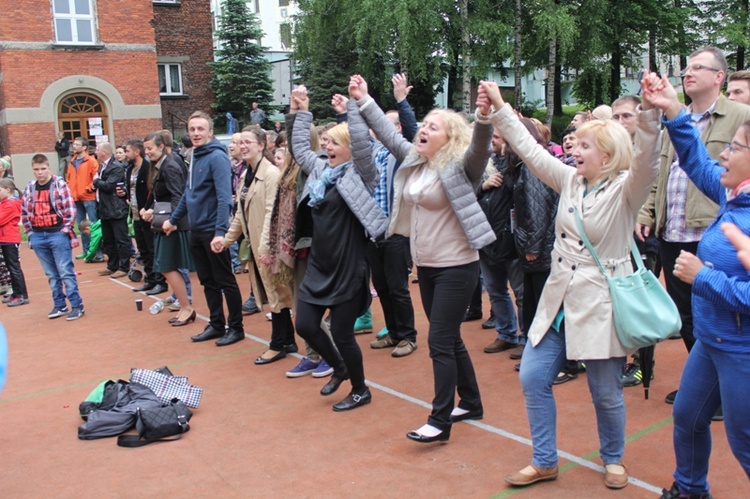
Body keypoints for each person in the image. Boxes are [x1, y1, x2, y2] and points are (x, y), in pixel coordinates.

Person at [482, 78, 661, 489]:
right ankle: (545, 459)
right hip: (559, 298)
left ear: (609, 154)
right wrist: (499, 107)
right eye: (574, 145)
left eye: (583, 146)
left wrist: (650, 112)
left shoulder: (625, 190)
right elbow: (528, 150)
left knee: (605, 392)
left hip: (601, 303)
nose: (572, 150)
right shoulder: (569, 181)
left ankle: (613, 458)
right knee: (532, 376)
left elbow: (648, 161)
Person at [354, 75, 495, 441]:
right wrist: (365, 100)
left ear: (450, 138)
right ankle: (473, 402)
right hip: (428, 266)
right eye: (425, 124)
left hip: (457, 266)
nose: (425, 129)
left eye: (434, 126)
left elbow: (480, 149)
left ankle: (440, 421)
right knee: (451, 340)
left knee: (439, 342)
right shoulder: (417, 162)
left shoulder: (461, 168)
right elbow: (388, 135)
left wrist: (483, 117)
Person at [640, 72, 750, 499]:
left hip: (743, 350)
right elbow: (697, 161)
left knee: (743, 443)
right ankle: (689, 489)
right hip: (712, 341)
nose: (724, 155)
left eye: (735, 148)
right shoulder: (734, 196)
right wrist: (672, 109)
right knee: (687, 418)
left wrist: (704, 278)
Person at [288, 84, 388, 411]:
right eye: (326, 141)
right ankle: (339, 366)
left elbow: (363, 143)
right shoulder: (320, 171)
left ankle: (360, 389)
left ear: (348, 147)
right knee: (305, 324)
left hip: (349, 264)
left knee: (343, 334)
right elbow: (301, 149)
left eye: (333, 142)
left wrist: (356, 106)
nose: (327, 146)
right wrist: (301, 112)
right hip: (320, 263)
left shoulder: (361, 174)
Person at [165, 111, 245, 347]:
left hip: (213, 230)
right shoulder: (194, 155)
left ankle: (236, 327)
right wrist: (173, 219)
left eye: (201, 129)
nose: (196, 133)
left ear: (210, 132)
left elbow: (224, 197)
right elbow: (189, 194)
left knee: (225, 280)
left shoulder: (217, 158)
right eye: (192, 129)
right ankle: (216, 324)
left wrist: (220, 231)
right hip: (196, 230)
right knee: (207, 281)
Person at [221, 126, 296, 364]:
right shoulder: (247, 174)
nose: (242, 146)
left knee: (276, 294)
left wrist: (265, 247)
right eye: (240, 142)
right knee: (275, 294)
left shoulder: (271, 174)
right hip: (256, 245)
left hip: (268, 246)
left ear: (262, 145)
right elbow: (241, 215)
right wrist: (227, 240)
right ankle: (288, 339)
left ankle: (277, 344)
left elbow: (271, 214)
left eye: (248, 142)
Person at [363, 73, 419, 358]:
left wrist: (402, 100)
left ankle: (408, 336)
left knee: (398, 288)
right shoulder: (372, 153)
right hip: (373, 232)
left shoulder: (405, 154)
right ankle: (393, 331)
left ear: (396, 129)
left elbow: (414, 132)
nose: (378, 128)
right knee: (382, 287)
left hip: (396, 231)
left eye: (386, 124)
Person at [478, 128, 525, 360]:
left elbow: (519, 191)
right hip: (486, 238)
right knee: (496, 291)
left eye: (496, 137)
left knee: (521, 292)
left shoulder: (517, 166)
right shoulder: (482, 164)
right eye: (491, 137)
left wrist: (510, 156)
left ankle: (526, 339)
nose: (492, 141)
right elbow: (464, 192)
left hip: (509, 239)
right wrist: (483, 186)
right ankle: (506, 334)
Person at [21, 154, 85, 320]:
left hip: (57, 233)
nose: (40, 173)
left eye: (43, 169)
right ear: (33, 170)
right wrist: (30, 233)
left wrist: (64, 230)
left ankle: (77, 305)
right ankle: (59, 304)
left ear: (48, 168)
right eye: (36, 169)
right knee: (51, 274)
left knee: (65, 271)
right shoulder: (30, 187)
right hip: (38, 235)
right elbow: (25, 212)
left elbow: (70, 209)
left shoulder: (59, 185)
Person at [124, 140, 167, 293]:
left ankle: (160, 281)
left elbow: (151, 191)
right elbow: (130, 189)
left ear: (136, 152)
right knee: (143, 249)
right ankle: (149, 279)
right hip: (135, 214)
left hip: (147, 214)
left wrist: (148, 208)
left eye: (128, 151)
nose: (125, 154)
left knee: (153, 248)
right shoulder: (129, 170)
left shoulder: (147, 169)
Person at [92, 142, 131, 278]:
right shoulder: (101, 167)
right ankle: (112, 265)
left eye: (97, 149)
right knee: (108, 240)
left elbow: (109, 186)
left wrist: (96, 182)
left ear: (104, 152)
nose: (95, 152)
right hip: (104, 209)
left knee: (121, 239)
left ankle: (124, 267)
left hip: (116, 209)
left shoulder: (116, 167)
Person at [66, 137, 99, 260]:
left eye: (77, 144)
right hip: (76, 198)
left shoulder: (91, 161)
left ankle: (96, 251)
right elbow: (69, 178)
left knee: (93, 225)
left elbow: (96, 177)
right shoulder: (72, 162)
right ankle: (86, 250)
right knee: (81, 226)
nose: (74, 146)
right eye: (73, 144)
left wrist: (89, 188)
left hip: (88, 197)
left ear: (84, 147)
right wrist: (70, 191)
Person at [0, 178, 29, 307]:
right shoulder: (5, 203)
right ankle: (17, 293)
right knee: (11, 267)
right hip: (5, 239)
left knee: (14, 268)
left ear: (7, 190)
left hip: (10, 239)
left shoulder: (10, 204)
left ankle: (21, 294)